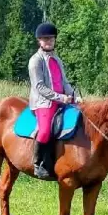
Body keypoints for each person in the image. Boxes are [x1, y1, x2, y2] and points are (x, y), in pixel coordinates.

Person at [27, 22, 75, 179]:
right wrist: (61, 97)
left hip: (61, 101)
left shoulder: (57, 60)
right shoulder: (35, 61)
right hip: (43, 102)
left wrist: (74, 95)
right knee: (45, 130)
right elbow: (40, 87)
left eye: (51, 39)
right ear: (39, 41)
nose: (48, 41)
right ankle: (38, 163)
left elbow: (64, 82)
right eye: (45, 39)